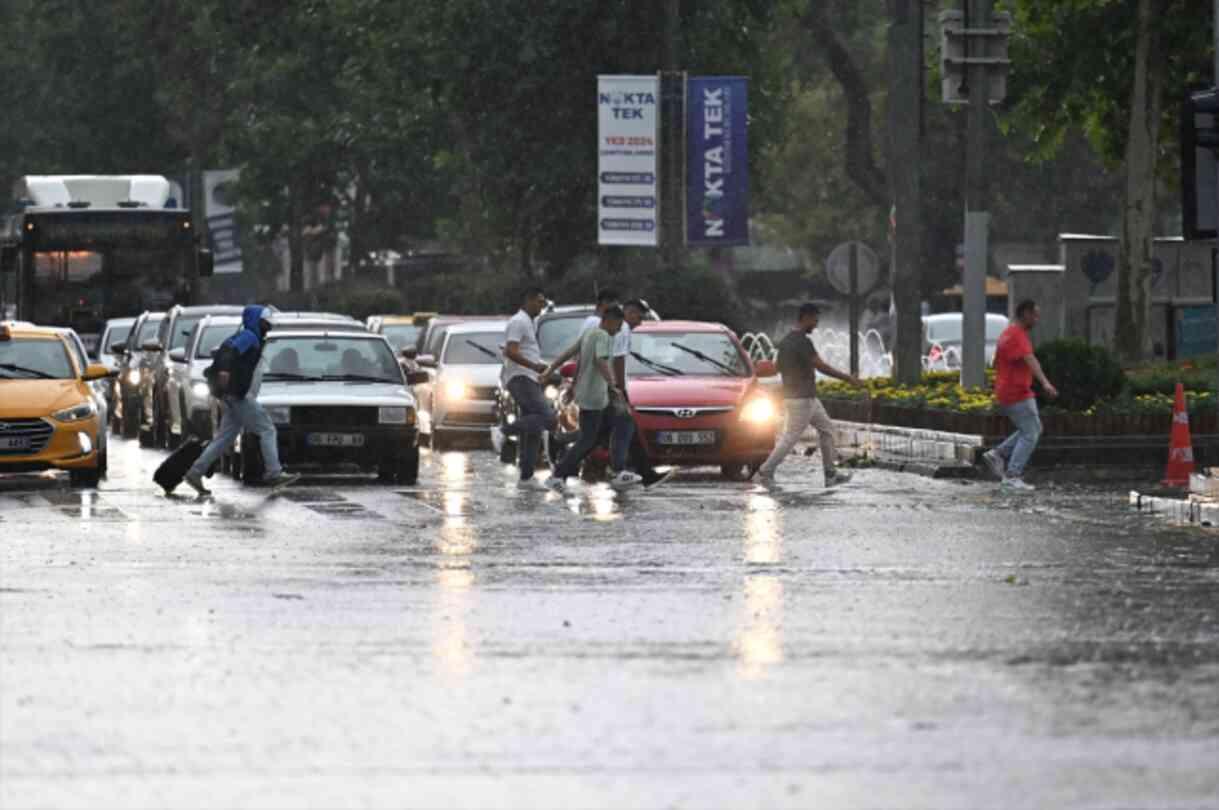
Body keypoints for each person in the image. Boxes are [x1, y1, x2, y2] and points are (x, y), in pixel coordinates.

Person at [184, 306, 298, 495]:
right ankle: (274, 473)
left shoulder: (248, 336)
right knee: (267, 429)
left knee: (224, 438)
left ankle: (195, 473)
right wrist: (225, 371)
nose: (268, 327)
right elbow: (229, 351)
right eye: (265, 323)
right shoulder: (249, 336)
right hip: (238, 395)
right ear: (256, 321)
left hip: (232, 395)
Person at [756, 303, 865, 488]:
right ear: (805, 317)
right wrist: (848, 379)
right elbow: (821, 366)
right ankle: (764, 472)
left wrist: (756, 370)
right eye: (815, 319)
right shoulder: (802, 342)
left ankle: (830, 475)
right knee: (790, 437)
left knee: (827, 430)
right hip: (802, 399)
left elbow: (777, 368)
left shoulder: (786, 341)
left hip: (805, 398)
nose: (816, 324)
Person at [542, 305, 630, 493]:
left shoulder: (590, 333)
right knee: (590, 438)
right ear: (610, 321)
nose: (619, 330)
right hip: (595, 397)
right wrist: (613, 385)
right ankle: (558, 474)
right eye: (618, 325)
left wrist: (551, 370)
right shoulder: (603, 336)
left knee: (615, 424)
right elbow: (601, 361)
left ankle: (617, 470)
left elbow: (572, 355)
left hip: (589, 396)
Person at [983, 299, 1058, 492]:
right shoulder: (1018, 335)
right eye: (1035, 315)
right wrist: (1045, 383)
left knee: (1032, 429)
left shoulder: (1007, 334)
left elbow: (997, 362)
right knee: (1031, 433)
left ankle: (998, 454)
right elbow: (1031, 360)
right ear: (1025, 314)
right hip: (1018, 392)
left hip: (1008, 390)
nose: (1037, 319)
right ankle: (1012, 475)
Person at [493, 287, 557, 488]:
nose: (541, 306)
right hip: (520, 377)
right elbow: (511, 352)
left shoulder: (530, 322)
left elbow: (524, 350)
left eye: (543, 302)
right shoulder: (518, 321)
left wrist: (540, 367)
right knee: (548, 417)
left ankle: (526, 477)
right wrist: (533, 366)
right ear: (528, 300)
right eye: (539, 302)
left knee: (534, 429)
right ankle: (502, 431)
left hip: (529, 377)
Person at [613, 299, 674, 488]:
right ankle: (627, 472)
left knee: (624, 429)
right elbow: (617, 361)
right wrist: (620, 389)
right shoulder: (622, 331)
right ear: (628, 313)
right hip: (615, 387)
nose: (640, 321)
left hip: (614, 386)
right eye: (638, 317)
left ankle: (643, 473)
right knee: (599, 432)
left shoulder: (624, 330)